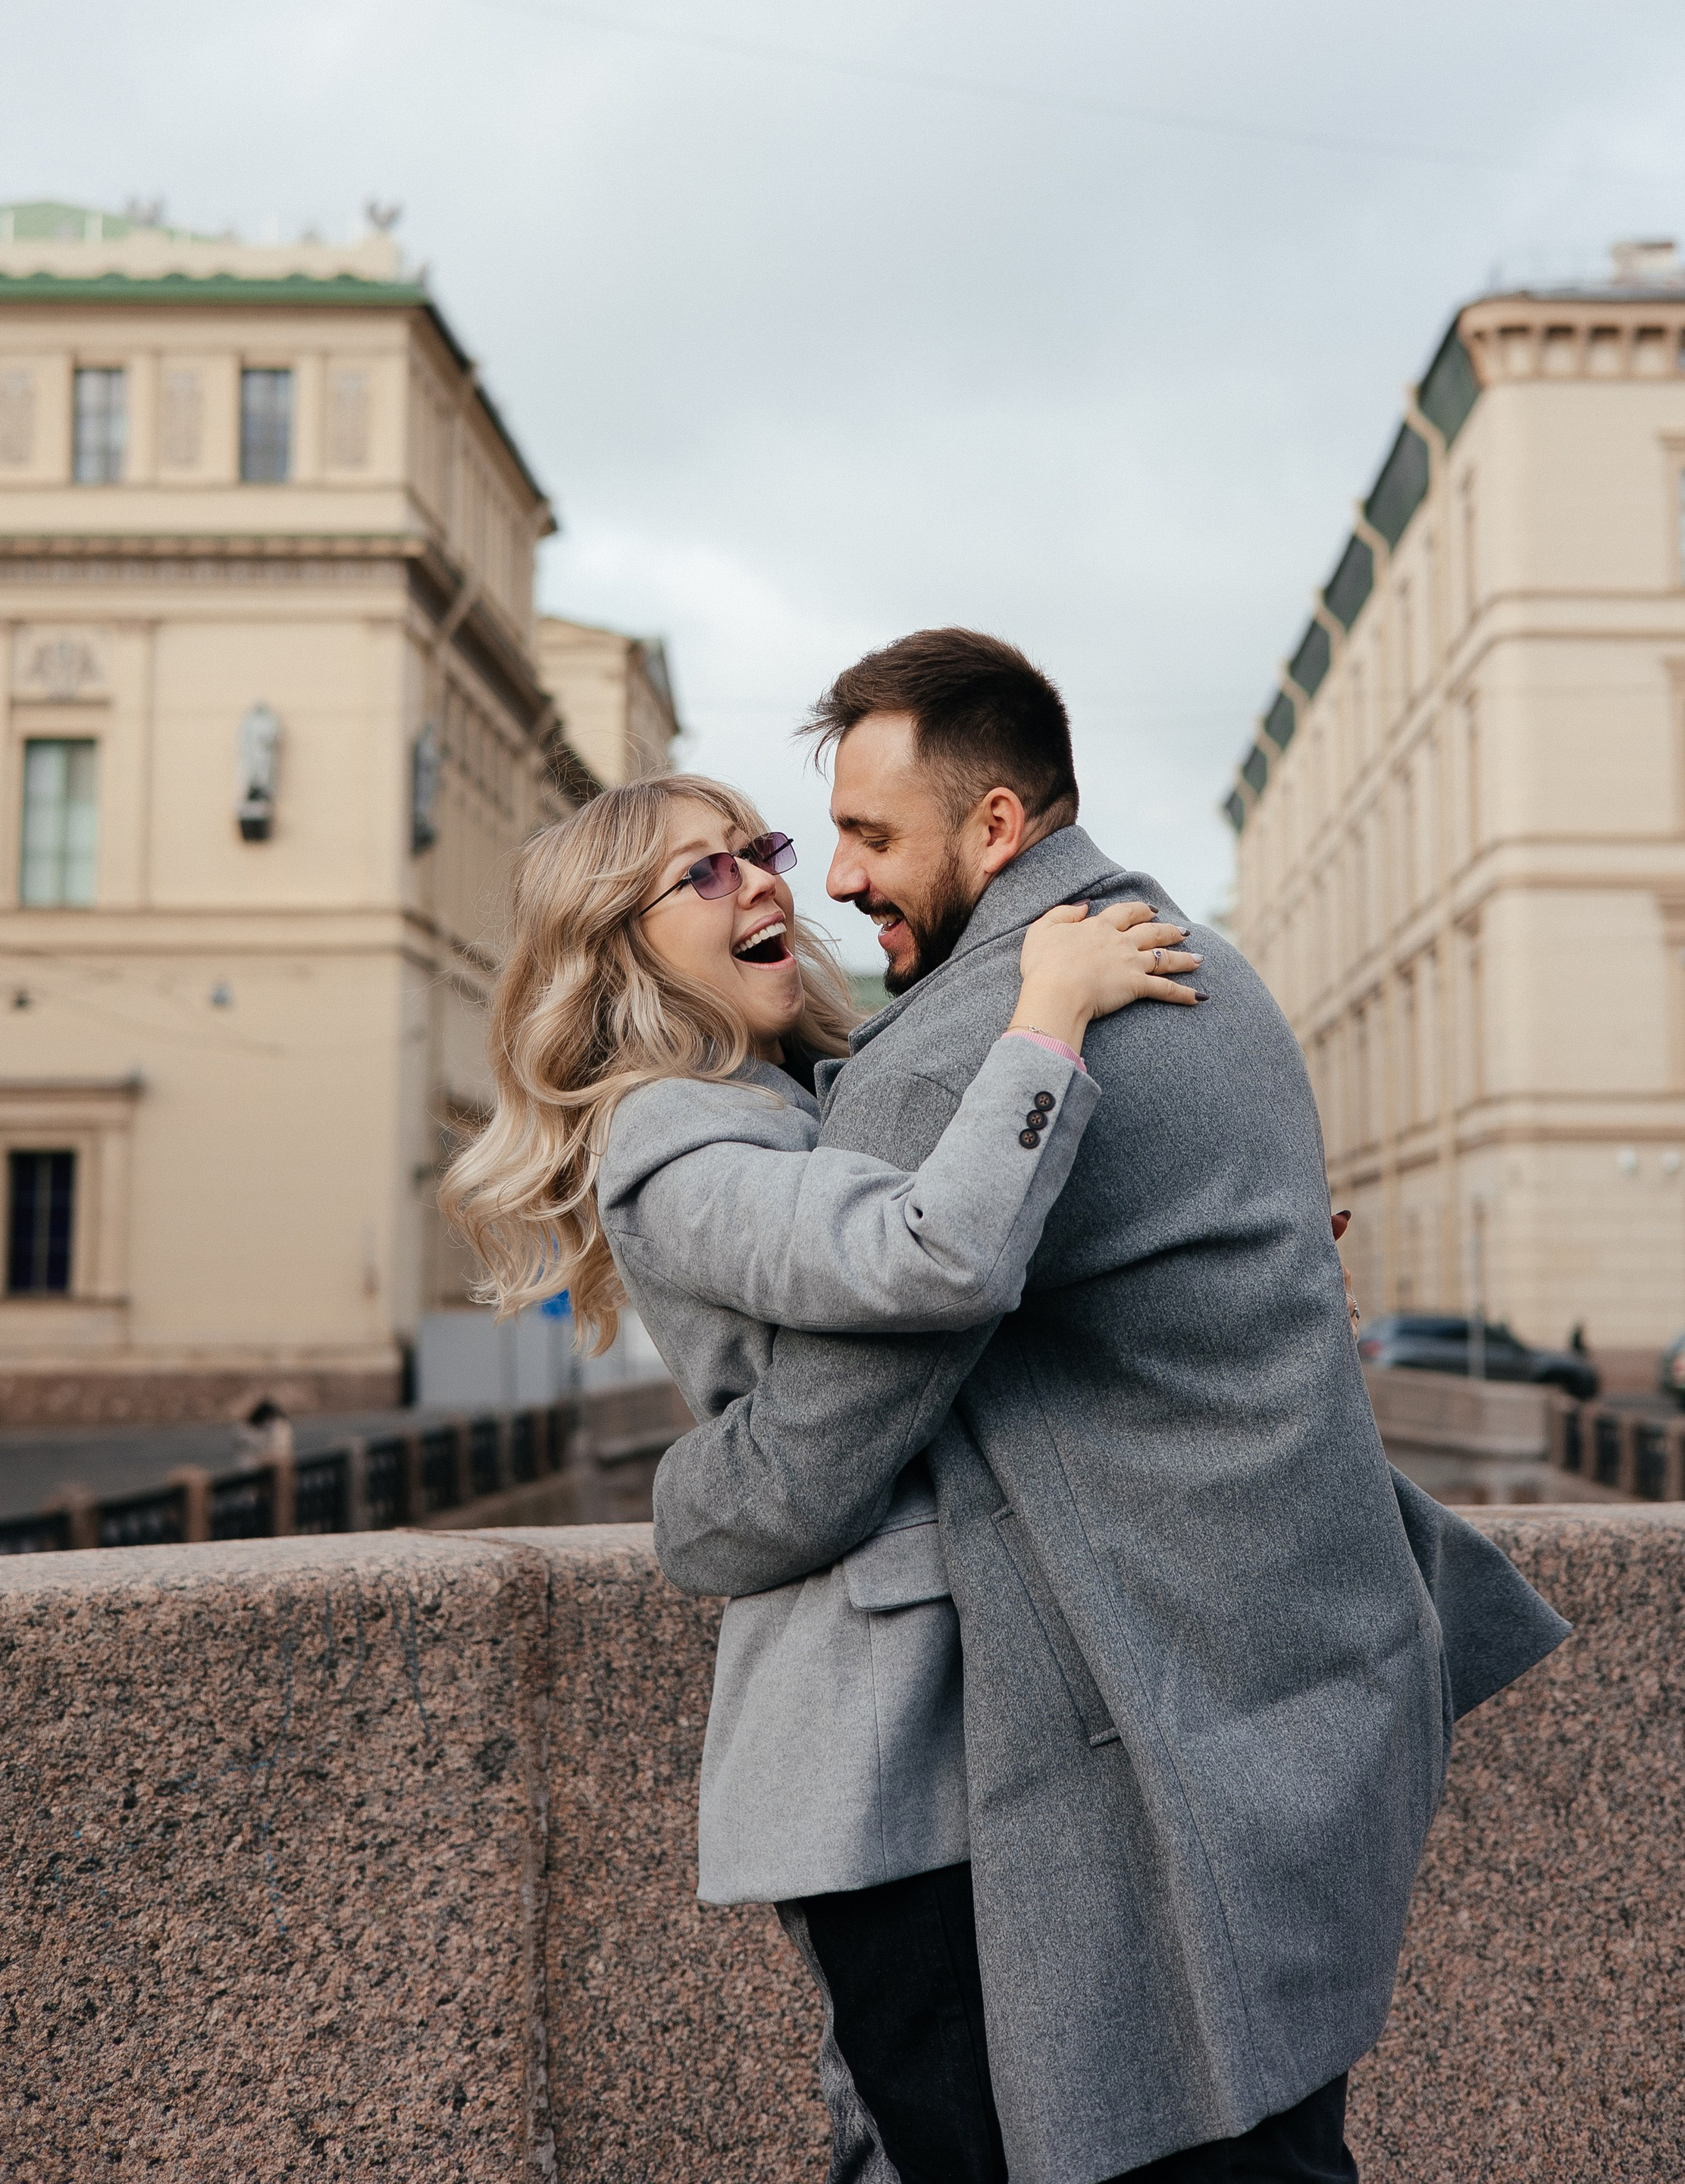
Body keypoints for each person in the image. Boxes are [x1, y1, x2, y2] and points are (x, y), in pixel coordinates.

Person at [650, 628, 1571, 2184]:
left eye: (870, 836)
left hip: (1170, 1759)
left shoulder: (949, 1060)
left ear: (995, 827)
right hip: (1312, 1694)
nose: (836, 882)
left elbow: (810, 1465)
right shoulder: (1201, 956)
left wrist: (683, 1507)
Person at [438, 771, 1200, 1992]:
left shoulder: (797, 1095)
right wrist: (1047, 1017)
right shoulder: (671, 1140)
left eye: (758, 849)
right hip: (869, 1746)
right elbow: (931, 1256)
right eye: (702, 872)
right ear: (617, 951)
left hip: (962, 1721)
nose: (764, 882)